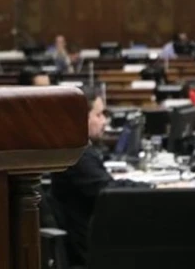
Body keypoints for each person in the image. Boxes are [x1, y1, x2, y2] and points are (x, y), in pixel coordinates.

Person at [50, 88, 151, 265]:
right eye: (99, 115)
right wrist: (153, 189)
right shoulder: (77, 156)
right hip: (91, 249)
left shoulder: (77, 151)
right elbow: (109, 192)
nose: (104, 121)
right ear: (81, 118)